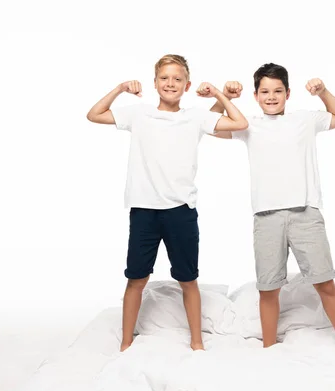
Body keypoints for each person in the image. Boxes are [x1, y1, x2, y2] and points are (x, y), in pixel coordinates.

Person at [86, 54, 248, 351]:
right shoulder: (139, 114)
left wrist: (220, 94)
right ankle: (125, 342)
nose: (170, 83)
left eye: (177, 79)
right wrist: (121, 88)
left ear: (187, 85)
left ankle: (197, 342)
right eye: (164, 78)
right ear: (155, 83)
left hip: (181, 212)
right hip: (144, 210)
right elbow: (94, 114)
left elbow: (239, 122)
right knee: (137, 278)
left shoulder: (195, 117)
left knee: (188, 279)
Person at [210, 63, 335, 347]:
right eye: (264, 91)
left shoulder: (304, 119)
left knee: (324, 281)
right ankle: (269, 347)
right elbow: (208, 124)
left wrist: (322, 91)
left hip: (305, 213)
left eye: (277, 91)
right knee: (268, 288)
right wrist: (225, 97)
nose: (271, 97)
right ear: (256, 95)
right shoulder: (248, 125)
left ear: (288, 93)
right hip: (266, 217)